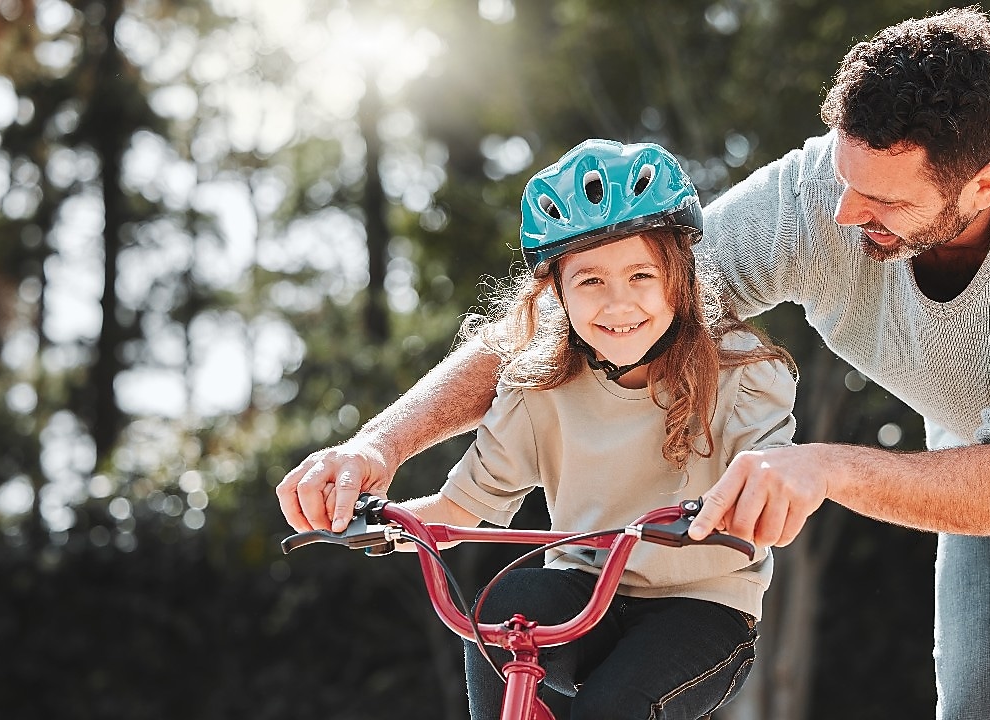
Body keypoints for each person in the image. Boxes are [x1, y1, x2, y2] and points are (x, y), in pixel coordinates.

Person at [278, 7, 990, 719]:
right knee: (978, 694)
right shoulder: (816, 197)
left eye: (882, 204)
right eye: (843, 180)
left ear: (981, 183)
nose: (845, 218)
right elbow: (584, 327)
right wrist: (379, 445)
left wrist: (826, 466)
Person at [284, 139, 797, 719]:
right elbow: (460, 508)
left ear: (678, 278)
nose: (618, 303)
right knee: (503, 614)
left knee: (614, 708)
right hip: (586, 593)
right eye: (590, 282)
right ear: (555, 293)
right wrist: (376, 517)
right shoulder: (538, 389)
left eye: (640, 275)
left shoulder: (744, 372)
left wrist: (743, 507)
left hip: (704, 605)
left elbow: (772, 489)